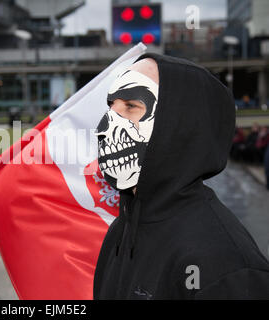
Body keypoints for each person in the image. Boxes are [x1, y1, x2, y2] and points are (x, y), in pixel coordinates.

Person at [94, 53, 269, 299]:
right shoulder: (120, 232)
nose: (104, 127)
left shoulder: (225, 266)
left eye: (131, 106)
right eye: (111, 106)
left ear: (180, 124)